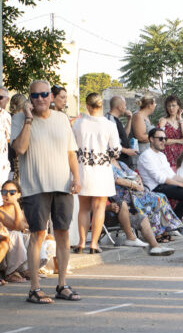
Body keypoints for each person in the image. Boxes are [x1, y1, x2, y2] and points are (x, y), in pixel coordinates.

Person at [11, 79, 82, 304]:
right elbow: (20, 148)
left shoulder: (61, 119)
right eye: (35, 96)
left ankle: (62, 285)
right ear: (29, 99)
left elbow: (71, 152)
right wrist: (29, 120)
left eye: (44, 94)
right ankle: (34, 289)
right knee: (38, 235)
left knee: (62, 234)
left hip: (62, 185)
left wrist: (77, 178)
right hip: (35, 187)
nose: (40, 99)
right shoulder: (19, 119)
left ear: (51, 97)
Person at [72, 93, 121, 254]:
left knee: (84, 208)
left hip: (83, 169)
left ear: (87, 105)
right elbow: (115, 150)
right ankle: (93, 243)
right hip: (102, 170)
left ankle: (81, 242)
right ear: (101, 106)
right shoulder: (108, 125)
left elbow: (72, 147)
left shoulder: (78, 123)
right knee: (99, 207)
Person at [111, 156, 183, 241]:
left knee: (161, 196)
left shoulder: (121, 163)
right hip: (123, 194)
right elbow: (117, 180)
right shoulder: (107, 165)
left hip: (135, 191)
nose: (118, 150)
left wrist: (140, 183)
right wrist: (134, 185)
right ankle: (155, 233)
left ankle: (164, 230)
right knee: (153, 199)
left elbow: (135, 175)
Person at [104, 200, 174, 255]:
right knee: (121, 203)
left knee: (142, 218)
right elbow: (93, 207)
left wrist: (115, 207)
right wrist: (108, 207)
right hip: (102, 217)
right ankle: (131, 238)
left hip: (118, 214)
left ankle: (155, 246)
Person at [0, 180, 29, 282]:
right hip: (5, 251)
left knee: (33, 236)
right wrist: (16, 204)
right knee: (16, 234)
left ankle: (25, 270)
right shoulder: (1, 211)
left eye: (12, 192)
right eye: (4, 192)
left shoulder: (22, 211)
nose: (7, 195)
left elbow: (26, 226)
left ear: (18, 194)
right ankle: (11, 272)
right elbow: (19, 226)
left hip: (14, 248)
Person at [157, 95, 183, 171]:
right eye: (169, 106)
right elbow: (160, 139)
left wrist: (180, 120)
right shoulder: (163, 121)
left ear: (178, 106)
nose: (171, 108)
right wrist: (178, 141)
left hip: (180, 153)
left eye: (173, 105)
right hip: (167, 153)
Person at [105, 96, 136, 167]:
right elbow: (111, 143)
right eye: (125, 105)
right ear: (119, 107)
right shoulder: (110, 120)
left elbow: (125, 135)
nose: (126, 107)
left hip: (125, 160)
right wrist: (127, 151)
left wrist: (129, 120)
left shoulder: (116, 119)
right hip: (118, 161)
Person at [0, 87, 11, 182]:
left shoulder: (7, 116)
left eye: (0, 97)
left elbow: (9, 139)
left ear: (8, 100)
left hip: (2, 166)